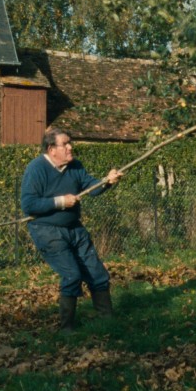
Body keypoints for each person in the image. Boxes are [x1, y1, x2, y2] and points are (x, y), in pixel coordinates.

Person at [21, 128, 123, 332]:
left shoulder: (75, 166)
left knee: (97, 273)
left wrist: (107, 181)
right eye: (65, 144)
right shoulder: (36, 169)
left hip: (74, 228)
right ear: (51, 149)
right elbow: (29, 205)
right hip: (47, 231)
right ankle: (67, 328)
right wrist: (60, 201)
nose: (70, 147)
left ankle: (106, 320)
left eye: (70, 142)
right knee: (72, 276)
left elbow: (90, 187)